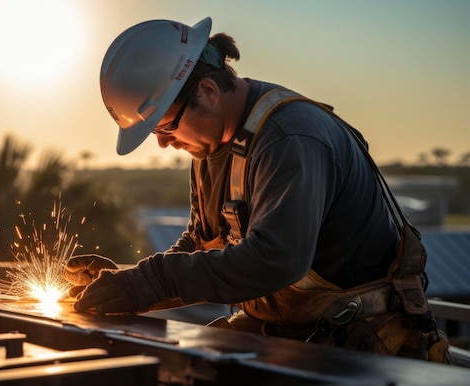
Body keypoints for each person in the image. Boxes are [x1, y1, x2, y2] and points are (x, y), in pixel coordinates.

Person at [64, 17, 452, 363]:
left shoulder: (290, 139)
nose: (164, 143)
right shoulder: (209, 148)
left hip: (365, 348)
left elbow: (276, 259)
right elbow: (203, 244)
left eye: (165, 127)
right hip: (293, 335)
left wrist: (152, 281)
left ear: (208, 92)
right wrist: (127, 281)